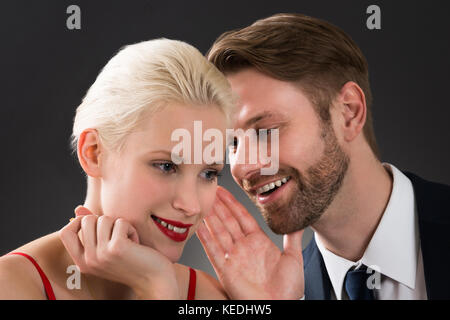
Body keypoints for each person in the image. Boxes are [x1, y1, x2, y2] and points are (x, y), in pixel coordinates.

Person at [196, 13, 450, 300]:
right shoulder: (281, 293)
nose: (242, 165)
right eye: (231, 143)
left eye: (266, 131)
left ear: (348, 112)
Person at [0, 38, 234, 300]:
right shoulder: (10, 286)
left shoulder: (207, 296)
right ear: (94, 153)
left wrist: (157, 286)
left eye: (209, 173)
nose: (191, 206)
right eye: (166, 166)